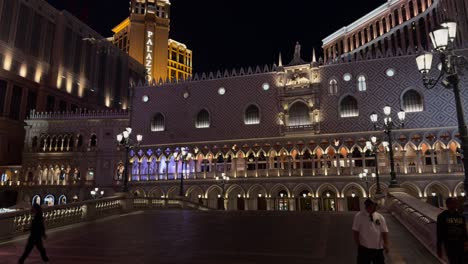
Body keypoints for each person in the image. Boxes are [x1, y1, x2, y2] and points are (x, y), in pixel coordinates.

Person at [352, 198, 389, 264]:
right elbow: (355, 231)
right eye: (373, 205)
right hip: (364, 248)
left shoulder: (380, 217)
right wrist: (358, 244)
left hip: (378, 248)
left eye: (375, 205)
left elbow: (384, 231)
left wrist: (386, 244)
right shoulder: (359, 216)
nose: (375, 207)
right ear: (368, 206)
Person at [436, 197, 467, 264]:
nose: (456, 204)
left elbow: (464, 230)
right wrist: (439, 248)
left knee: (462, 261)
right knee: (453, 261)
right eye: (453, 203)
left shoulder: (461, 216)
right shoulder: (442, 216)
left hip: (460, 243)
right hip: (449, 244)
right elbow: (439, 232)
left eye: (456, 203)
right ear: (447, 204)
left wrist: (466, 242)